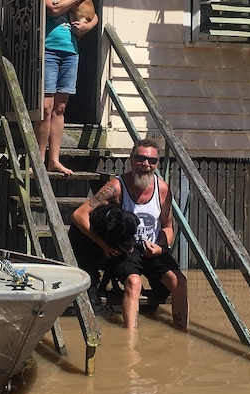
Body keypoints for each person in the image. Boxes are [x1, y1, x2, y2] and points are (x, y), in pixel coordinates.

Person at [71, 138, 189, 330]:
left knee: (180, 281)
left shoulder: (163, 189)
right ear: (131, 160)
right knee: (134, 283)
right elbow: (79, 214)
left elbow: (168, 226)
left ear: (157, 164)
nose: (146, 165)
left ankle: (183, 333)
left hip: (153, 249)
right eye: (140, 159)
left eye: (152, 161)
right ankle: (130, 343)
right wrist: (104, 245)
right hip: (126, 250)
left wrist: (160, 247)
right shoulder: (116, 186)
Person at [34, 0, 99, 175]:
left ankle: (54, 160)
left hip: (71, 50)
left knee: (60, 108)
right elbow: (52, 8)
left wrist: (88, 26)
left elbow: (95, 15)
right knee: (45, 106)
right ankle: (39, 160)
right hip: (49, 48)